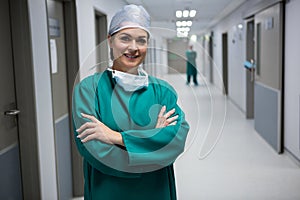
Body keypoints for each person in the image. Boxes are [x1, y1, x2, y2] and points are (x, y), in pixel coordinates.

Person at [72, 4, 190, 200]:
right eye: (125, 38)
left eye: (141, 40)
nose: (133, 47)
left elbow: (175, 141)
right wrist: (152, 141)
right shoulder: (89, 89)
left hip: (156, 191)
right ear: (110, 41)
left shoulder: (162, 91)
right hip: (108, 191)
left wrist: (116, 138)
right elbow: (92, 148)